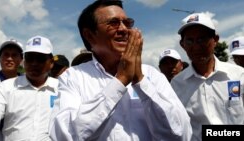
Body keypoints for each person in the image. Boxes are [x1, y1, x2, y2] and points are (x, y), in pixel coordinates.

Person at [49, 0, 192, 141]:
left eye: (127, 23)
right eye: (113, 23)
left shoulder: (152, 75)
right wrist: (120, 81)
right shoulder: (72, 77)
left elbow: (181, 134)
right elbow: (64, 135)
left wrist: (141, 82)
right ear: (89, 35)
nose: (124, 29)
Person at [171, 12, 244, 141]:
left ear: (215, 40)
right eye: (190, 41)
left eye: (202, 39)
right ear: (182, 44)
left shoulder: (238, 75)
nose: (196, 46)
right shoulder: (177, 85)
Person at [0, 35, 59, 141]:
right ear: (23, 61)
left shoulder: (61, 88)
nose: (34, 63)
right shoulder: (6, 87)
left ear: (51, 63)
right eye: (29, 58)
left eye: (40, 59)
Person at [0, 38, 24, 140]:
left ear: (21, 60)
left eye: (14, 55)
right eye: (6, 54)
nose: (9, 58)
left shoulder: (28, 85)